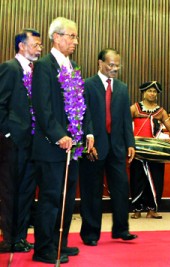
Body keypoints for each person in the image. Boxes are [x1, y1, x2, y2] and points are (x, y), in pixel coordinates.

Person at [31, 17, 94, 264]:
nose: (75, 41)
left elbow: (81, 106)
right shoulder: (45, 66)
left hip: (73, 148)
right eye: (71, 36)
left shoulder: (73, 66)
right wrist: (59, 135)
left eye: (76, 36)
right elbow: (42, 107)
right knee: (50, 199)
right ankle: (43, 248)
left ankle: (60, 244)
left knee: (67, 198)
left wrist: (87, 132)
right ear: (56, 37)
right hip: (51, 147)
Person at [79, 48, 137, 246]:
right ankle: (90, 234)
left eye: (117, 65)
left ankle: (122, 230)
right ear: (100, 63)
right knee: (91, 191)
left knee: (121, 188)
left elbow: (125, 119)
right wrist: (89, 138)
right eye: (111, 65)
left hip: (117, 147)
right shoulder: (87, 85)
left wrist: (131, 143)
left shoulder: (122, 87)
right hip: (94, 146)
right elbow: (84, 116)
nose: (114, 69)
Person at [0, 29, 42, 253]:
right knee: (10, 192)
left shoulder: (34, 72)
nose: (39, 49)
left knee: (26, 192)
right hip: (13, 143)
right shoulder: (10, 68)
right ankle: (8, 239)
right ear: (21, 46)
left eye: (40, 45)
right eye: (35, 44)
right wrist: (8, 133)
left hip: (31, 143)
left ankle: (20, 237)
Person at [130, 81, 170, 219]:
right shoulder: (135, 108)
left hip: (156, 150)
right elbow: (125, 124)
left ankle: (152, 209)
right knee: (137, 179)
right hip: (138, 149)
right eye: (150, 91)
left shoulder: (161, 111)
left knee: (156, 179)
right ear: (144, 92)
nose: (152, 93)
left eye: (154, 92)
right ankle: (137, 209)